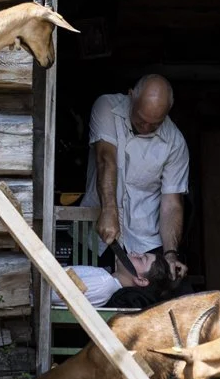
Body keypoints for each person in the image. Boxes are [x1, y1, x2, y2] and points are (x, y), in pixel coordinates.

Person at [79, 73, 190, 282]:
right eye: (140, 119)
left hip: (145, 244)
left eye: (154, 124)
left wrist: (170, 254)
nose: (145, 127)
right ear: (131, 96)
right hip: (98, 236)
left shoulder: (175, 143)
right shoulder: (107, 107)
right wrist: (109, 211)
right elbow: (106, 159)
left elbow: (172, 204)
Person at [50, 250, 174, 308]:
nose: (135, 253)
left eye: (141, 259)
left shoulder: (104, 285)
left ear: (141, 280)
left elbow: (51, 293)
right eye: (142, 254)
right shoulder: (105, 278)